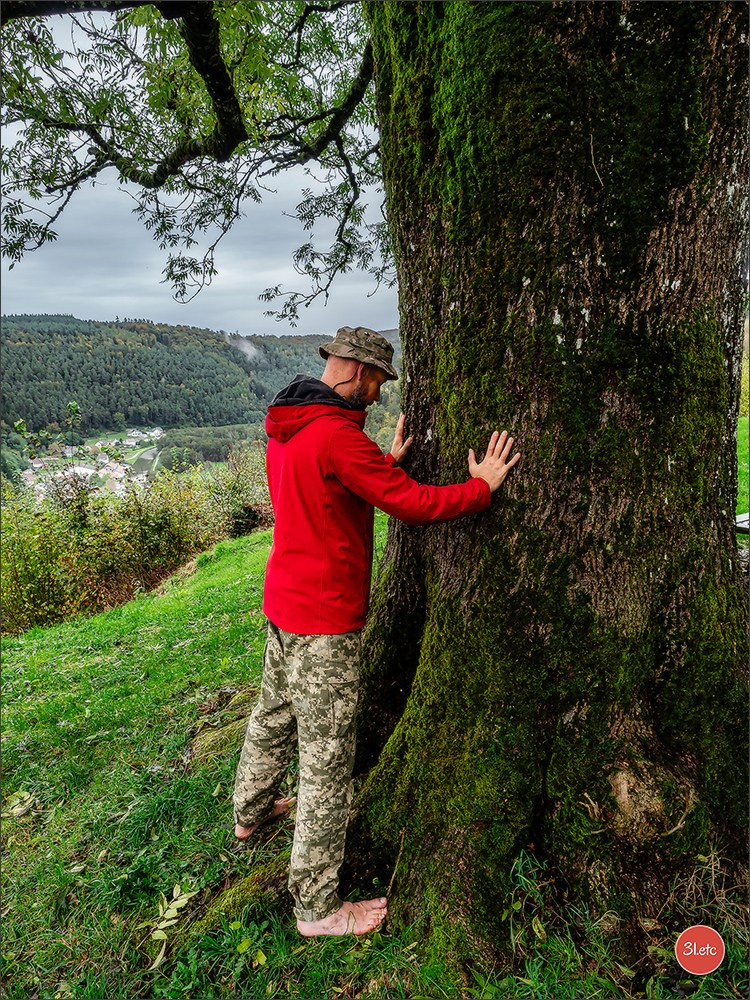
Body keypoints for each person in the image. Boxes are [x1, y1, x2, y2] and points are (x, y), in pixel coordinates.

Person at [232, 326, 520, 937]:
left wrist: (378, 462)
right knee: (327, 765)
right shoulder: (340, 436)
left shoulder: (288, 418)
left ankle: (250, 813)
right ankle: (316, 908)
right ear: (361, 373)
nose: (379, 396)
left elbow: (325, 489)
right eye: (379, 384)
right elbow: (412, 504)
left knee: (272, 713)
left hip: (284, 600)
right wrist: (481, 488)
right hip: (325, 619)